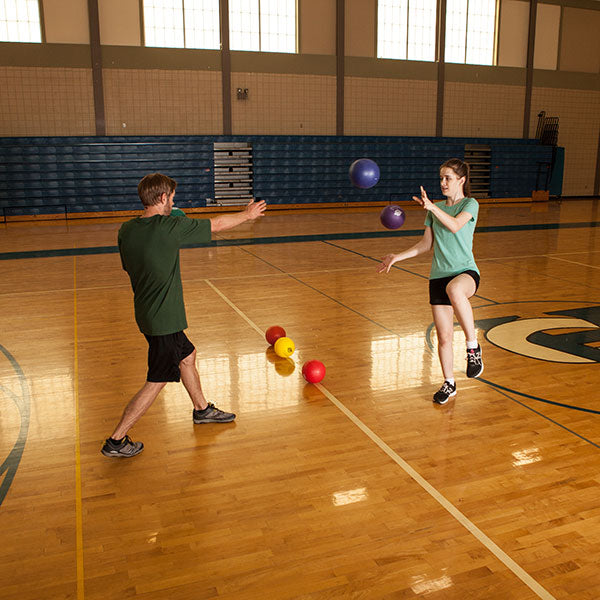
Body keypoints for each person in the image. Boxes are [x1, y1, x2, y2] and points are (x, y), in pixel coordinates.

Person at [101, 173, 267, 457]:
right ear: (163, 198)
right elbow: (215, 225)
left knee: (187, 356)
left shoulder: (126, 230)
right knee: (158, 379)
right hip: (164, 318)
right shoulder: (171, 226)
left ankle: (201, 410)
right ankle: (117, 439)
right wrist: (247, 214)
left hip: (146, 311)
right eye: (173, 197)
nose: (174, 201)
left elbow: (128, 268)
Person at [377, 158, 483, 405]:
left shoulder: (470, 204)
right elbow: (426, 245)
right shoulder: (435, 208)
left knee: (456, 290)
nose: (443, 182)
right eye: (441, 178)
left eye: (448, 178)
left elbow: (456, 225)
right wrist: (397, 257)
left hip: (465, 272)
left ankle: (473, 347)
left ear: (461, 180)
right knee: (444, 337)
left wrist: (433, 209)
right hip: (438, 276)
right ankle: (449, 383)